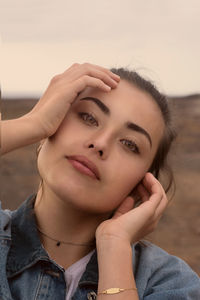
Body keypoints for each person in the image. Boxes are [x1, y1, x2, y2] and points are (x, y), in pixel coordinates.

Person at [1, 63, 199, 300]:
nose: (101, 143)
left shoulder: (172, 282)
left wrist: (114, 246)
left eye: (129, 144)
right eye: (88, 117)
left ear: (143, 183)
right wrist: (31, 123)